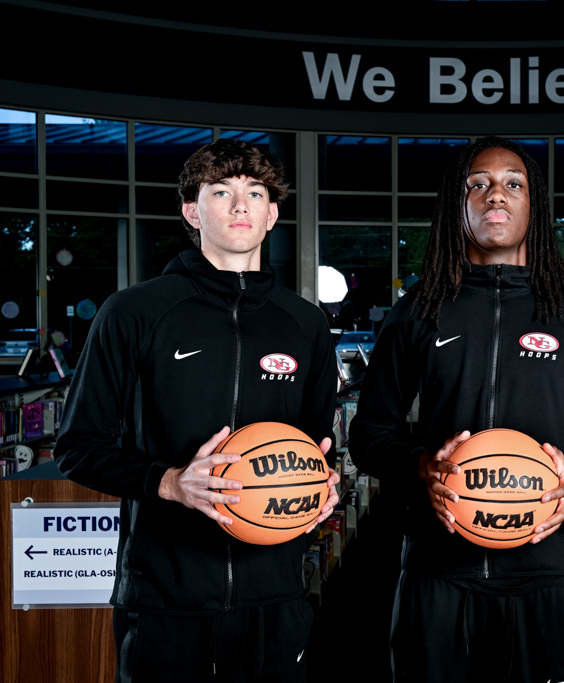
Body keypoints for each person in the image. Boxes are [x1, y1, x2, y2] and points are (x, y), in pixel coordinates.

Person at [349, 136, 564, 683]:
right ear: (456, 205)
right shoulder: (419, 311)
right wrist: (422, 466)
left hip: (545, 567)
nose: (495, 195)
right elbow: (368, 434)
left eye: (513, 184)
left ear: (534, 203)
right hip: (437, 567)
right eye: (477, 184)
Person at [56, 138, 340, 683]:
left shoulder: (305, 324)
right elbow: (77, 447)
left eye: (255, 193)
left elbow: (315, 446)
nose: (240, 205)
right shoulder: (134, 312)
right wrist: (169, 482)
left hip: (276, 596)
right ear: (192, 211)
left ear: (271, 215)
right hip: (166, 597)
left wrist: (322, 486)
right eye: (221, 191)